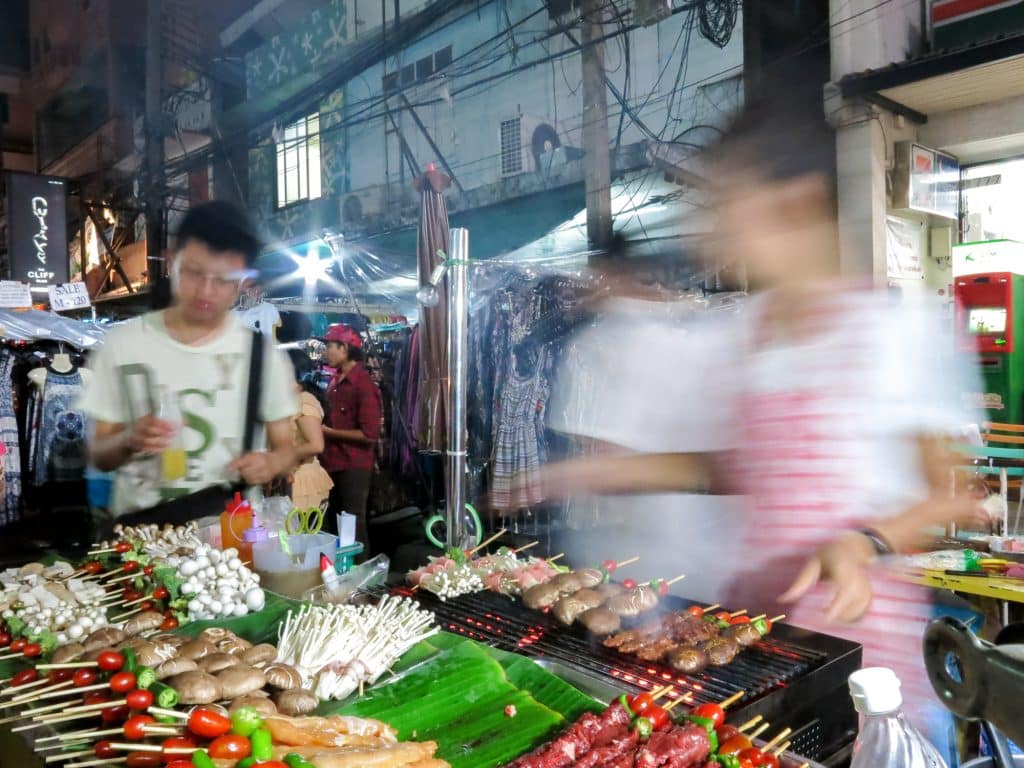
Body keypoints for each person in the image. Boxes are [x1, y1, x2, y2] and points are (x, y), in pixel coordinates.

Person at [534, 89, 988, 740]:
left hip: (863, 653)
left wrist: (867, 541)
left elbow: (954, 495)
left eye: (726, 206)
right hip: (759, 646)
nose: (710, 230)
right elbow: (733, 468)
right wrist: (595, 475)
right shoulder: (742, 331)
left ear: (795, 203)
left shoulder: (898, 330)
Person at [78, 201, 298, 527]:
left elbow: (287, 449)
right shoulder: (122, 345)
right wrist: (129, 440)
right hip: (141, 541)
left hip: (231, 545)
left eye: (224, 279)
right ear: (172, 261)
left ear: (243, 282)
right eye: (194, 272)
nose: (207, 291)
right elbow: (98, 454)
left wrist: (270, 463)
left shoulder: (263, 357)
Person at [319, 324, 382, 547]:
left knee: (353, 525)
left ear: (344, 348)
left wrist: (330, 433)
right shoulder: (335, 380)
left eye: (329, 346)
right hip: (333, 463)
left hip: (353, 465)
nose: (326, 351)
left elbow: (370, 434)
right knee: (336, 522)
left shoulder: (362, 384)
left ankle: (360, 577)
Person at [285, 349, 333, 510]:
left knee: (301, 533)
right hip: (292, 479)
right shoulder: (289, 400)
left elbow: (316, 445)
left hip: (303, 483)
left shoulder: (304, 400)